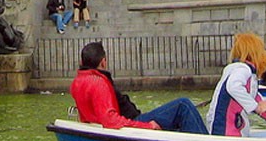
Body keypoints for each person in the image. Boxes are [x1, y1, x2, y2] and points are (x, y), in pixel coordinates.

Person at [70, 41, 208, 133]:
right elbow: (110, 120)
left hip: (129, 122)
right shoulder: (98, 82)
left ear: (82, 62)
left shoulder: (78, 81)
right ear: (103, 62)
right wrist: (147, 126)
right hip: (133, 123)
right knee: (183, 105)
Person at [205, 33, 266, 137]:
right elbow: (233, 87)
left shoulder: (248, 77)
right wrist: (255, 107)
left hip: (239, 134)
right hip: (227, 135)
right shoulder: (242, 70)